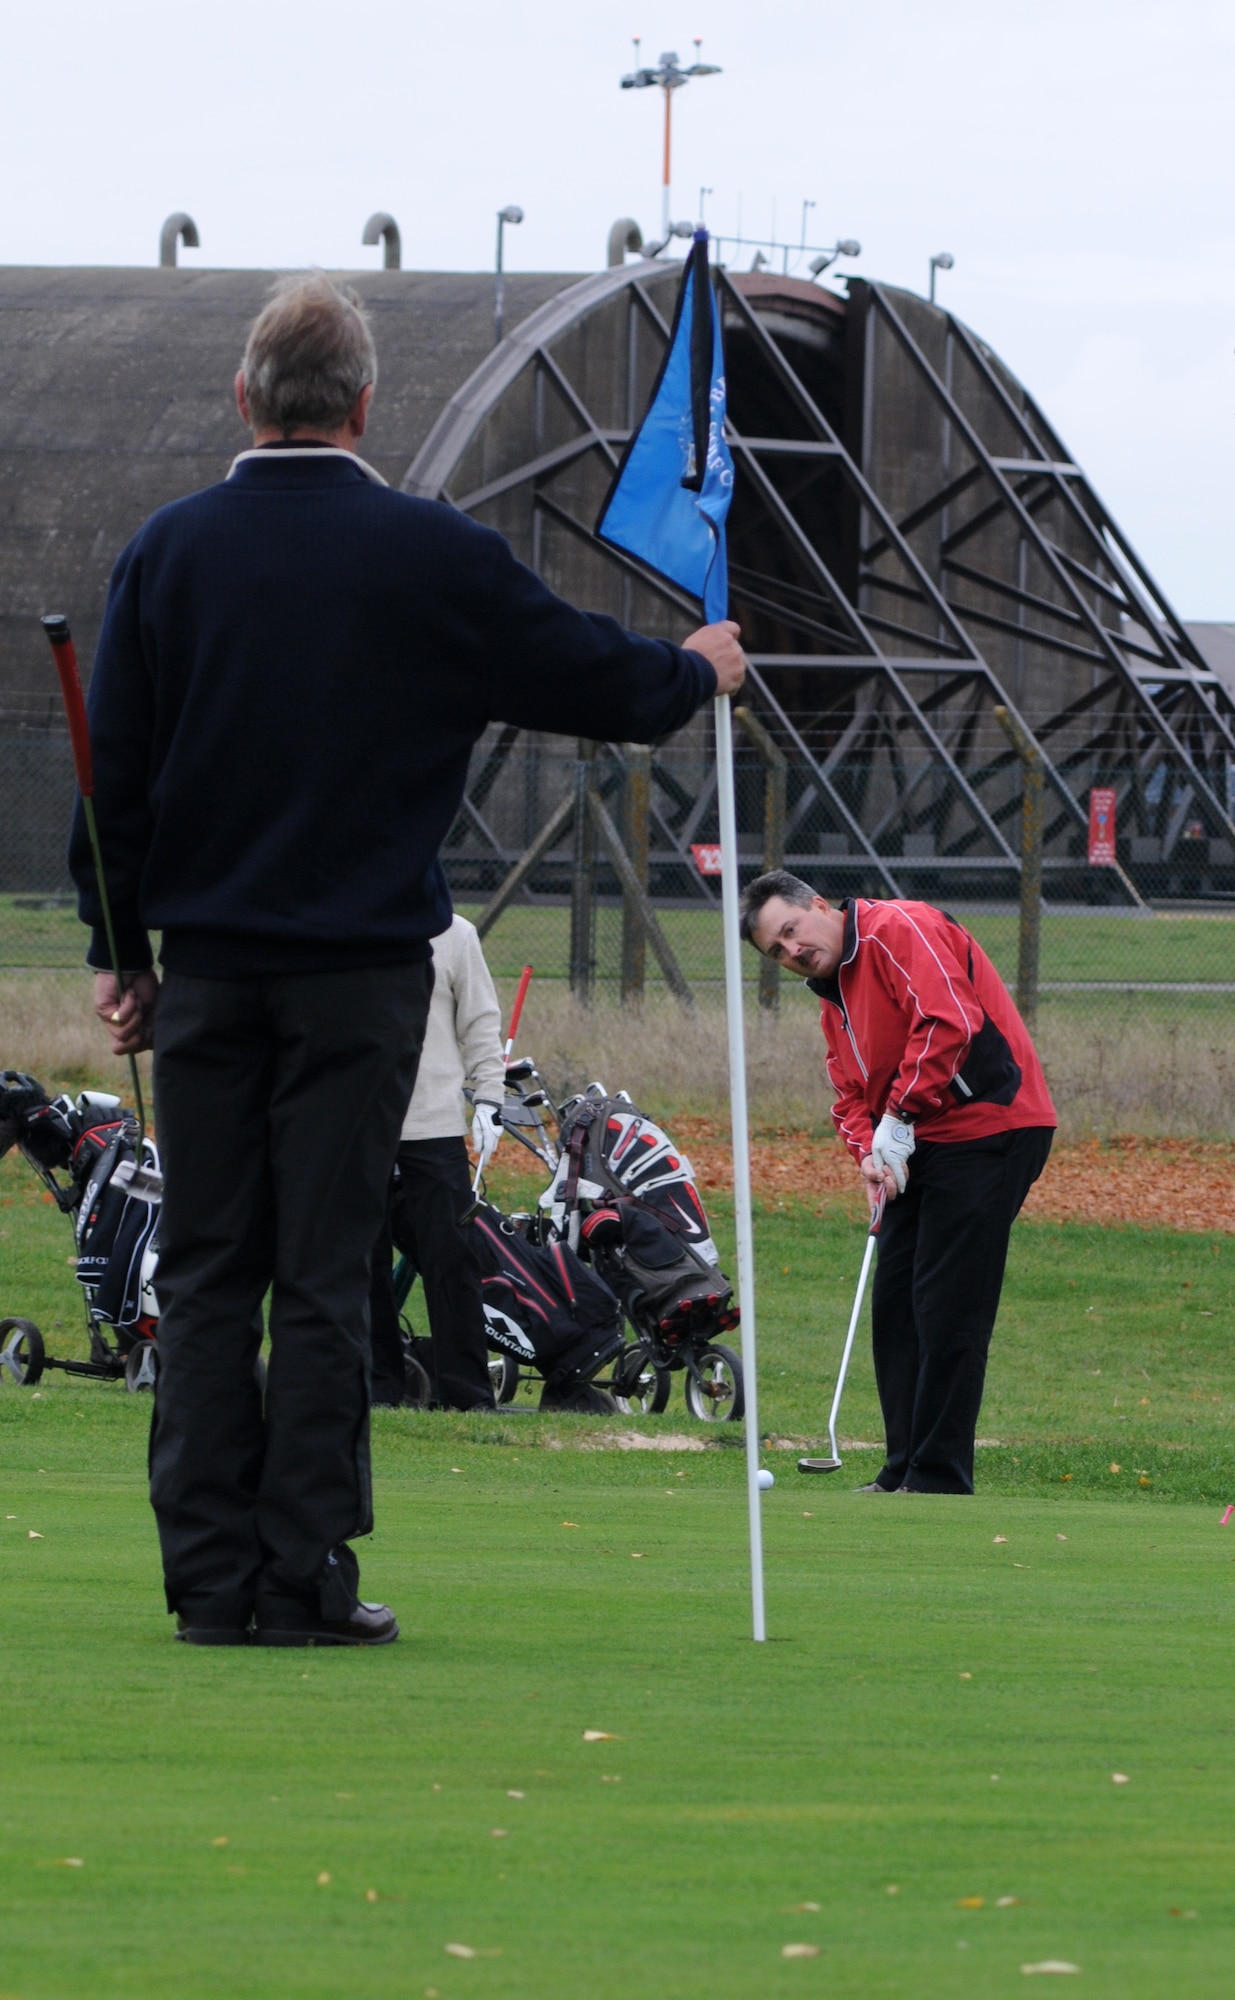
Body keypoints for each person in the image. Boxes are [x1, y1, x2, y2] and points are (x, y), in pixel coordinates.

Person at [77, 272, 746, 1647]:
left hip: (207, 968)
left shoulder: (168, 549)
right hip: (361, 971)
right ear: (366, 406)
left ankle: (207, 1578)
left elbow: (116, 784)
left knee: (206, 1274)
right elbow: (583, 674)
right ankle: (302, 1571)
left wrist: (122, 951)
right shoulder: (427, 553)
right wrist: (694, 671)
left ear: (245, 398)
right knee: (323, 1276)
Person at [740, 872, 1056, 1495]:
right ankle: (902, 1470)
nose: (792, 952)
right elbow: (849, 1094)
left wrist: (899, 1117)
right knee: (896, 1306)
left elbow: (948, 1022)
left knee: (946, 1304)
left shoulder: (896, 929)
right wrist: (871, 1154)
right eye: (776, 952)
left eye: (790, 932)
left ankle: (937, 1477)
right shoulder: (833, 997)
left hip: (993, 1125)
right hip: (922, 1141)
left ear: (819, 906)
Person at [368, 914, 504, 1412]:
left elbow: (480, 1021)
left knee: (451, 1260)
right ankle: (378, 1389)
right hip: (359, 1125)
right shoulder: (349, 924)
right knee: (364, 1261)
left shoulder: (455, 934)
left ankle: (467, 1396)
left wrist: (490, 1095)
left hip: (434, 1126)